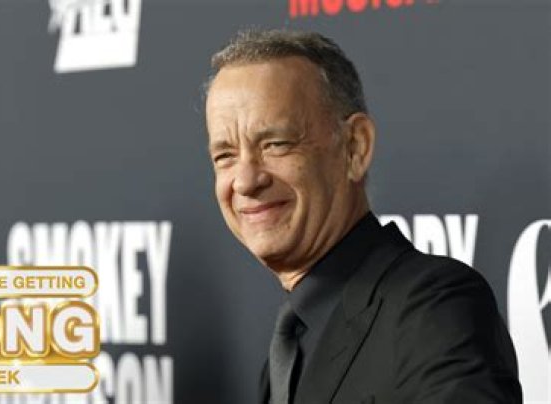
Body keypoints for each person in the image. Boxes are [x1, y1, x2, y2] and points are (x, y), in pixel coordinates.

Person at [204, 30, 522, 404]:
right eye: (225, 156)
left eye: (276, 144)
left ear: (355, 147)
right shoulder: (290, 346)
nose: (245, 181)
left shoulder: (434, 310)